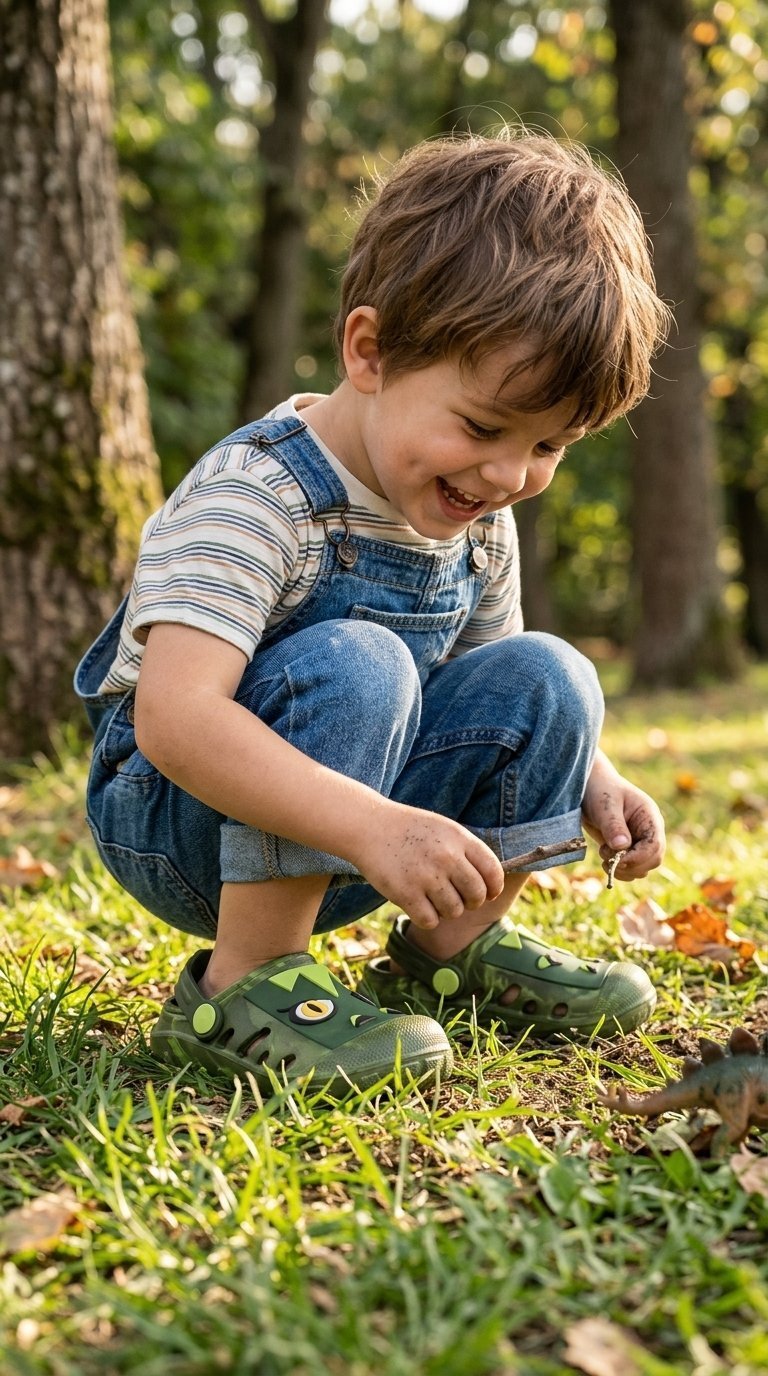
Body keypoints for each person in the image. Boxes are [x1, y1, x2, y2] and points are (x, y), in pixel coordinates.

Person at [75, 130, 670, 1095]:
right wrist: (369, 826)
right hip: (182, 823)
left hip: (373, 831)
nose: (508, 475)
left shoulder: (475, 514)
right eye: (484, 426)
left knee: (551, 671)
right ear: (370, 351)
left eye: (549, 447)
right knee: (362, 657)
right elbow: (174, 722)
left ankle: (452, 946)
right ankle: (246, 982)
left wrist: (596, 777)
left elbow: (493, 683)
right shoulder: (259, 495)